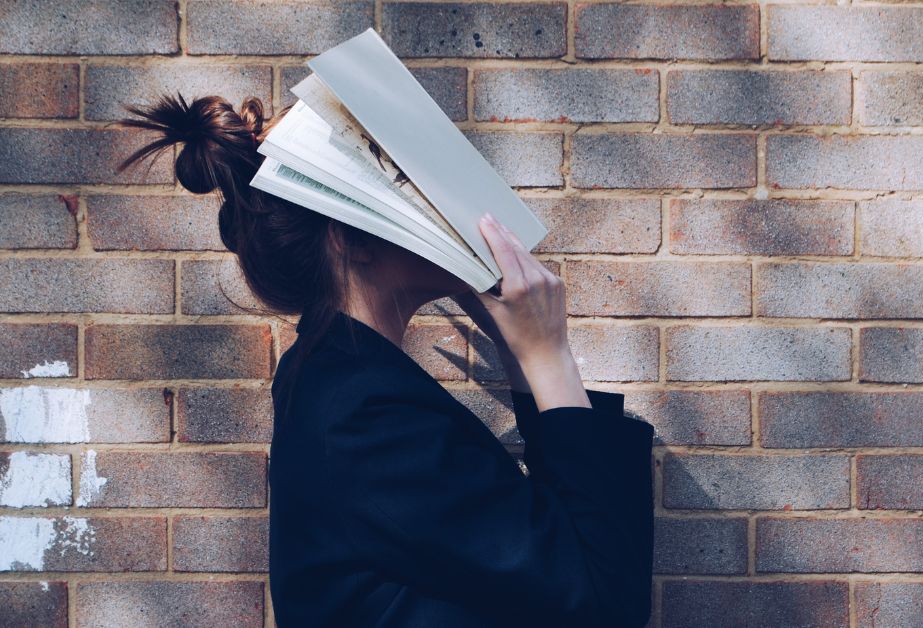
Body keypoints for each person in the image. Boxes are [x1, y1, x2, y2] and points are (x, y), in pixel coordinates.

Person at [115, 93, 655, 627]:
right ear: (351, 238)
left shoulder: (341, 382)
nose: (442, 205)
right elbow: (604, 599)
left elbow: (554, 563)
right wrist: (548, 354)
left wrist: (521, 352)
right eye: (406, 188)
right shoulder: (363, 416)